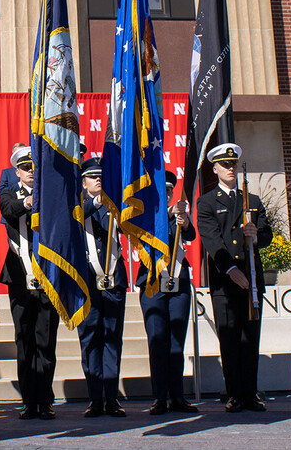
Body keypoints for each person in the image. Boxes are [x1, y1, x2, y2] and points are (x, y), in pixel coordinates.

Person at [196, 143, 272, 413]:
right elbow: (212, 241)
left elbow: (267, 235)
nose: (230, 168)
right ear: (214, 168)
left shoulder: (252, 200)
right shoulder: (206, 202)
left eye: (233, 164)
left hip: (251, 280)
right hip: (226, 282)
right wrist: (231, 270)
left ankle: (250, 393)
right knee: (229, 340)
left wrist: (256, 234)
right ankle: (234, 394)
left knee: (250, 339)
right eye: (225, 165)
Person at [0, 146, 59, 420]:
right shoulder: (10, 193)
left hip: (46, 275)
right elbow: (9, 209)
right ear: (17, 172)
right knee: (24, 341)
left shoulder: (51, 195)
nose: (30, 172)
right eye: (25, 168)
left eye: (34, 167)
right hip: (20, 276)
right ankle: (28, 401)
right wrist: (29, 201)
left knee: (46, 341)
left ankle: (45, 400)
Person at [138, 170, 198, 415]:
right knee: (157, 342)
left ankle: (178, 397)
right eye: (163, 190)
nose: (167, 193)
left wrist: (184, 222)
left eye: (170, 190)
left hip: (178, 284)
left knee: (176, 344)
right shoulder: (145, 214)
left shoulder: (178, 215)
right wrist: (169, 214)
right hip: (153, 283)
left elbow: (192, 235)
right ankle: (159, 398)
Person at [77, 157, 127, 418]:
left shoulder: (115, 206)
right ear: (83, 182)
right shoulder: (78, 205)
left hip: (113, 280)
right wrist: (98, 202)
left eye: (101, 176)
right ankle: (94, 398)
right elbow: (75, 217)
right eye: (92, 176)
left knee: (112, 340)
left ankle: (112, 398)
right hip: (87, 283)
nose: (98, 179)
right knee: (90, 340)